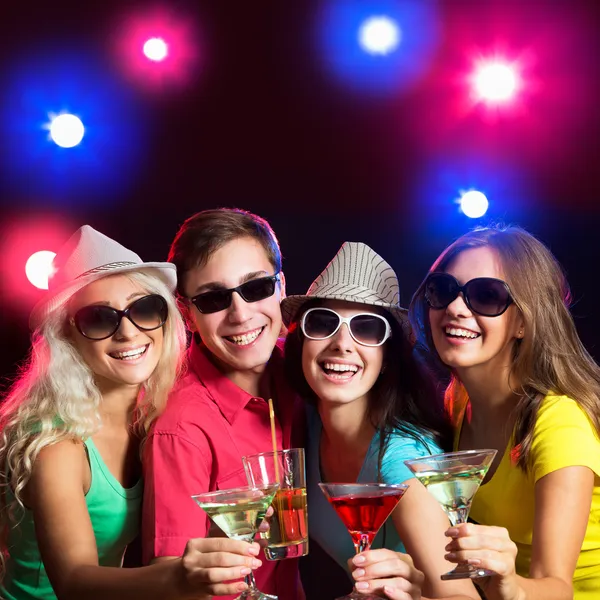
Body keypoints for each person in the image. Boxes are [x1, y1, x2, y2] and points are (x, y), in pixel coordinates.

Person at [0, 226, 266, 600]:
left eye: (144, 309)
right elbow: (75, 583)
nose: (128, 332)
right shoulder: (58, 444)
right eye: (99, 318)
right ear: (68, 338)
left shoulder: (151, 415)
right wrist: (178, 579)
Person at [409, 225, 600, 600]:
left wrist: (510, 587)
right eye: (444, 290)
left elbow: (557, 587)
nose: (454, 308)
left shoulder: (560, 422)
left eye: (486, 296)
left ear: (524, 322)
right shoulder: (457, 401)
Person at [282, 241, 479, 600]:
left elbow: (459, 594)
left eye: (367, 328)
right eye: (322, 323)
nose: (341, 343)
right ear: (301, 343)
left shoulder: (403, 457)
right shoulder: (303, 421)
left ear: (387, 355)